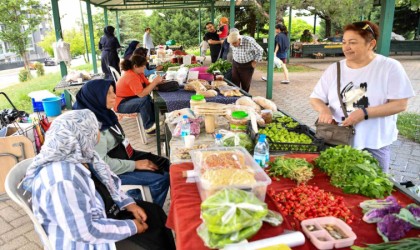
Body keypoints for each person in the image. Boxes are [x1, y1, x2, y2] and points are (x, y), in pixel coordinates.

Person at [21, 110, 176, 250]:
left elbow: (111, 184)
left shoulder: (82, 155)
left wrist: (129, 203)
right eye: (94, 130)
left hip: (102, 214)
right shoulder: (62, 181)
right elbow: (84, 232)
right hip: (85, 242)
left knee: (154, 213)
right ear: (81, 136)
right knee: (151, 241)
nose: (99, 133)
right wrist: (131, 227)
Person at [310, 21, 415, 173]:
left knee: (373, 188)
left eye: (352, 42)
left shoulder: (389, 67)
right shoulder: (335, 69)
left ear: (371, 44)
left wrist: (364, 113)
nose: (346, 47)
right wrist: (324, 110)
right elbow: (315, 98)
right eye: (344, 42)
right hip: (337, 141)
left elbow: (400, 104)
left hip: (374, 143)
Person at [73, 79, 170, 207]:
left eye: (114, 92)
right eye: (108, 94)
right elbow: (101, 164)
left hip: (123, 154)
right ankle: (144, 211)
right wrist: (135, 165)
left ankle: (138, 198)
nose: (115, 96)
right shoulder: (92, 127)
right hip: (106, 173)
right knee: (160, 179)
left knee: (165, 164)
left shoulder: (103, 113)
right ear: (95, 97)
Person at [115, 55, 164, 134]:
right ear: (135, 66)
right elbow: (141, 94)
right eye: (143, 65)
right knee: (144, 101)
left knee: (151, 100)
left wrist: (157, 84)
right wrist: (155, 82)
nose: (145, 67)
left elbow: (147, 85)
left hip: (130, 98)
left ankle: (153, 127)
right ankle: (148, 126)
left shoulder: (139, 73)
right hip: (121, 104)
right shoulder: (131, 76)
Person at [227, 28, 264, 92]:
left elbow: (260, 50)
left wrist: (255, 61)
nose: (233, 45)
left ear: (239, 39)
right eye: (232, 44)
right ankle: (235, 98)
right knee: (234, 82)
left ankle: (245, 98)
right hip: (236, 63)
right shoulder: (232, 40)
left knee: (245, 84)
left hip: (247, 65)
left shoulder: (249, 41)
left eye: (235, 43)